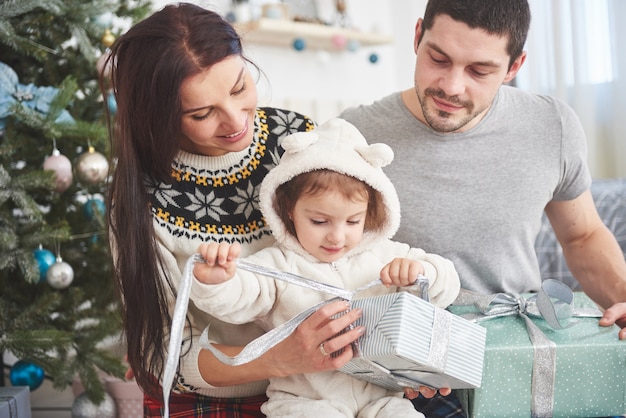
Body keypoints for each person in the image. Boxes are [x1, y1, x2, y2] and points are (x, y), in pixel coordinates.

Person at [339, 0, 626, 415]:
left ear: (514, 66)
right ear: (417, 36)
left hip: (521, 343)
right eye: (438, 58)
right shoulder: (355, 135)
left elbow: (581, 234)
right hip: (407, 367)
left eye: (479, 71)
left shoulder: (552, 125)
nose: (452, 86)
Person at [101, 4, 367, 417]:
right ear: (158, 117)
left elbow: (361, 249)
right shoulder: (141, 200)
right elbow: (161, 355)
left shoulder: (298, 141)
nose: (234, 121)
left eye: (240, 87)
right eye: (202, 113)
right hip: (215, 400)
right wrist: (278, 358)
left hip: (329, 388)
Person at [192, 118, 461, 418]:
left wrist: (421, 273)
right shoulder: (276, 265)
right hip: (305, 401)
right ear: (290, 210)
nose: (337, 236)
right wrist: (216, 281)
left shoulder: (387, 255)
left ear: (370, 212)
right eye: (319, 221)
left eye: (352, 221)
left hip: (383, 398)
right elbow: (238, 297)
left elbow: (446, 283)